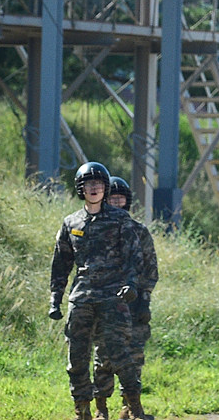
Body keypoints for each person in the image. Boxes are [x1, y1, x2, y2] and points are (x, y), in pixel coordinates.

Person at [49, 162, 151, 420]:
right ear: (80, 189)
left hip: (113, 296)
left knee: (119, 352)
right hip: (82, 297)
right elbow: (61, 263)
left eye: (99, 184)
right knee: (77, 356)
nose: (94, 188)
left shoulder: (119, 220)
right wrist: (55, 298)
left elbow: (133, 257)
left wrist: (131, 284)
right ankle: (82, 410)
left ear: (105, 188)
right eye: (89, 184)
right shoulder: (71, 222)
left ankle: (134, 407)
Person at [92, 176, 159, 420]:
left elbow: (151, 269)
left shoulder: (139, 231)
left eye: (120, 198)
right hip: (105, 303)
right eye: (112, 198)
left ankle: (130, 408)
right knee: (103, 357)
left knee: (134, 357)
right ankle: (100, 408)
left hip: (133, 306)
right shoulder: (96, 228)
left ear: (127, 201)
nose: (117, 202)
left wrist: (144, 299)